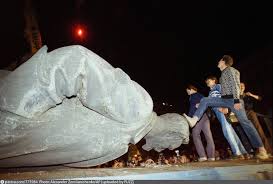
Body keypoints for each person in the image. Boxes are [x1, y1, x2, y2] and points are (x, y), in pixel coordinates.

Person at [183, 55, 269, 159]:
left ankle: (261, 149)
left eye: (220, 60)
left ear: (224, 62)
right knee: (205, 100)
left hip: (233, 100)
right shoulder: (222, 75)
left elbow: (235, 84)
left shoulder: (231, 70)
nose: (218, 62)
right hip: (225, 100)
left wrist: (236, 101)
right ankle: (194, 119)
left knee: (245, 122)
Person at [205, 76, 248, 159]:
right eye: (206, 81)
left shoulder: (218, 86)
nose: (207, 82)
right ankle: (243, 152)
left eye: (208, 80)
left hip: (222, 110)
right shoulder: (211, 92)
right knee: (231, 132)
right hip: (219, 113)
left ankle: (237, 153)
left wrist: (225, 107)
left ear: (214, 80)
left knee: (227, 131)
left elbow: (226, 96)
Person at [240, 82, 272, 154]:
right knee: (247, 132)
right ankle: (254, 151)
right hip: (242, 114)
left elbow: (260, 98)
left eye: (243, 86)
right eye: (240, 86)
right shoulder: (237, 96)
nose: (241, 87)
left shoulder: (247, 95)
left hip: (250, 113)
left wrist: (251, 94)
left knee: (258, 129)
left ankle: (268, 150)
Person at [186, 84, 215, 162]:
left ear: (191, 89)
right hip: (205, 116)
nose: (187, 92)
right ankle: (211, 156)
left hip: (197, 117)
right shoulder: (200, 95)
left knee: (195, 135)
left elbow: (193, 108)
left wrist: (189, 117)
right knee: (208, 136)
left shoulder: (193, 96)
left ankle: (202, 156)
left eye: (187, 90)